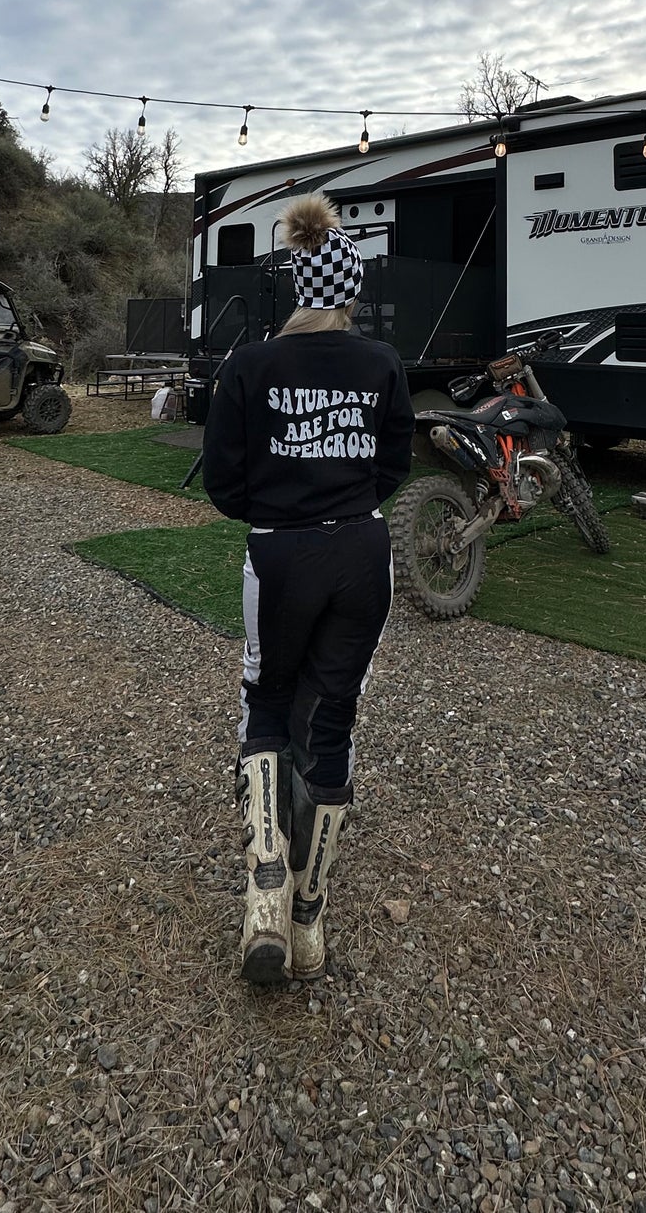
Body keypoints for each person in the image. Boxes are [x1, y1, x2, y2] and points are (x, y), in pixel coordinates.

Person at [201, 193, 414, 984]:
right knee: (333, 716)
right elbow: (394, 462)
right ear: (347, 292)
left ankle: (264, 884)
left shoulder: (250, 365)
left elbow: (223, 479)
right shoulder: (381, 363)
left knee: (265, 700)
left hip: (281, 552)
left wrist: (279, 507)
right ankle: (309, 910)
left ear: (299, 285)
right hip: (363, 549)